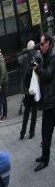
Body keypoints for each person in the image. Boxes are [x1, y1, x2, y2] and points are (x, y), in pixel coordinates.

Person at [34, 33, 55, 172]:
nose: (40, 47)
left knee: (46, 131)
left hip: (52, 101)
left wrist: (38, 68)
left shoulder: (53, 56)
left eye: (42, 44)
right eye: (40, 44)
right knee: (45, 131)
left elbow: (47, 75)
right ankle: (44, 156)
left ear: (48, 43)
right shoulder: (47, 55)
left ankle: (45, 159)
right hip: (50, 100)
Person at [18, 40, 41, 140]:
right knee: (34, 111)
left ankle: (22, 133)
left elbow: (18, 59)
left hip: (27, 89)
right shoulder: (38, 55)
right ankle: (31, 132)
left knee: (26, 112)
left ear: (28, 48)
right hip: (35, 87)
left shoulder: (24, 57)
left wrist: (25, 51)